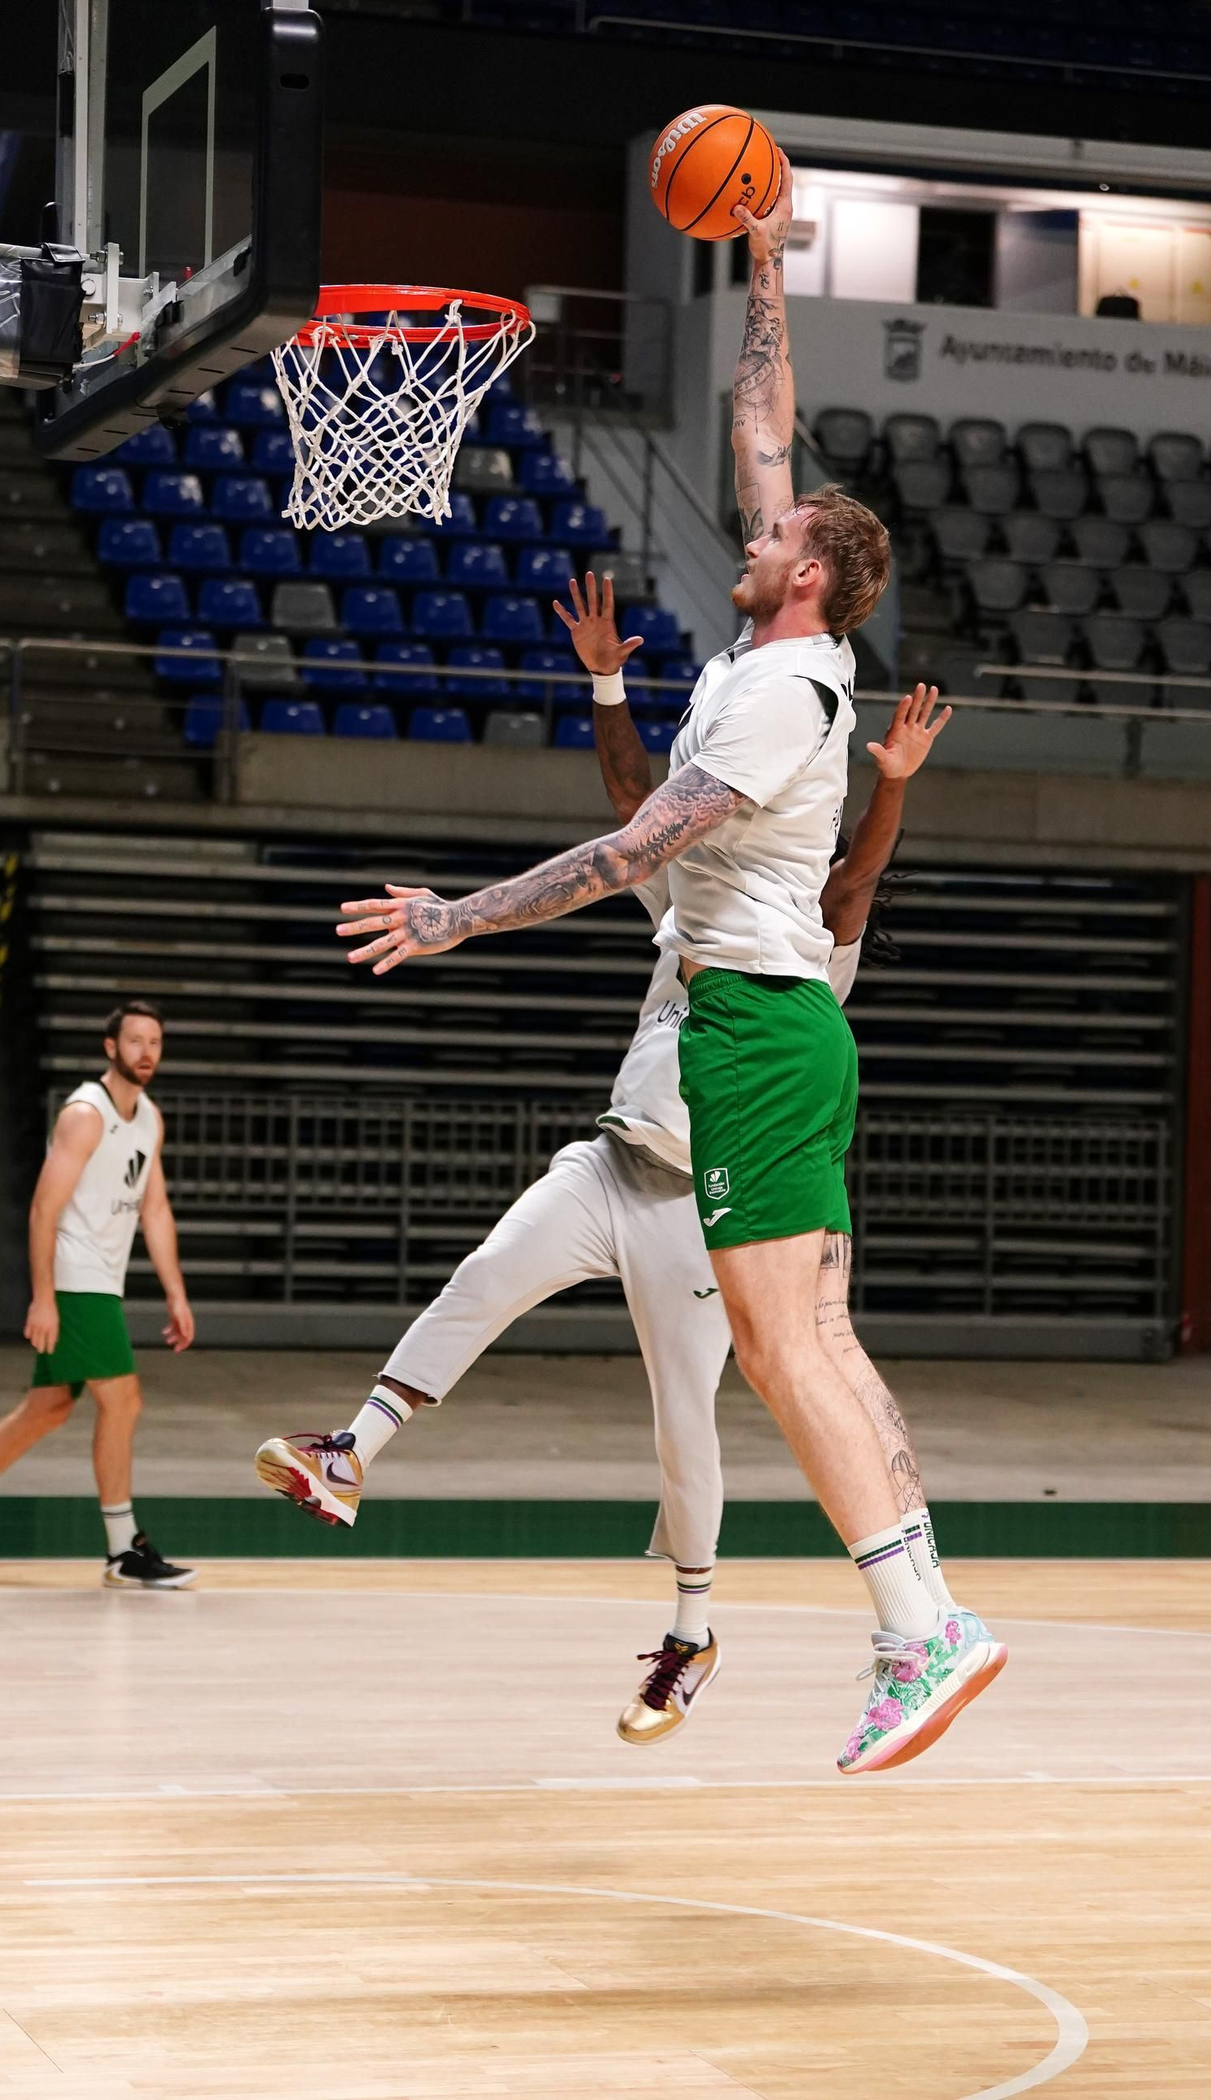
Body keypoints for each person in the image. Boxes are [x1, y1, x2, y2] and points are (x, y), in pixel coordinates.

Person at [331, 156, 1001, 1774]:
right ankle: (924, 1617)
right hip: (762, 1034)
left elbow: (633, 852)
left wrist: (451, 917)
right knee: (803, 1345)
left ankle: (924, 1628)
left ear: (817, 575)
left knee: (778, 1351)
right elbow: (765, 426)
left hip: (762, 1028)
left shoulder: (785, 694)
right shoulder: (761, 649)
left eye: (772, 533)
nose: (749, 522)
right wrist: (764, 262)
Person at [258, 659, 979, 1743]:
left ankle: (691, 1636)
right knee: (485, 1272)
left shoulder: (799, 959)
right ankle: (349, 1452)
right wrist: (604, 684)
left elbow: (850, 886)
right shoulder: (696, 903)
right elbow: (635, 808)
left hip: (701, 1208)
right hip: (614, 1161)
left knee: (686, 1426)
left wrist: (894, 784)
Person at [0, 1001, 197, 1588]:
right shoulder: (85, 1115)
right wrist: (43, 1296)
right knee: (124, 1400)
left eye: (156, 1042)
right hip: (75, 1278)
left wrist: (177, 1294)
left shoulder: (148, 1119)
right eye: (135, 1041)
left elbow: (156, 1208)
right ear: (110, 1048)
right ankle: (124, 1546)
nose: (147, 1052)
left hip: (102, 1281)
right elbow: (44, 1208)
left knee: (49, 1407)